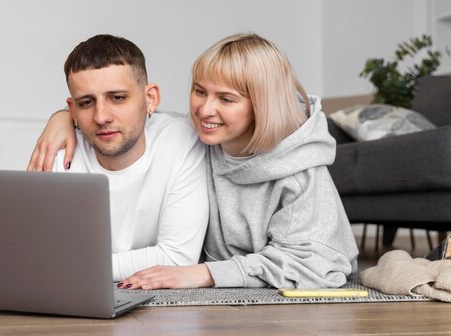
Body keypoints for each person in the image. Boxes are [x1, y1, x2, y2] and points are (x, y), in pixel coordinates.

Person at [30, 33, 359, 290]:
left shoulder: (298, 168)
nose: (204, 110)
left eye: (226, 99)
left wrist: (205, 274)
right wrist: (63, 118)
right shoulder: (200, 140)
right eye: (200, 91)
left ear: (262, 104)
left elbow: (318, 266)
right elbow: (123, 121)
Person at [30, 34, 209, 282]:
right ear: (72, 111)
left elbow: (178, 258)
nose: (102, 116)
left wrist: (75, 265)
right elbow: (38, 257)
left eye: (117, 98)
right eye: (86, 102)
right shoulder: (57, 153)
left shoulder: (182, 141)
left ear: (150, 99)